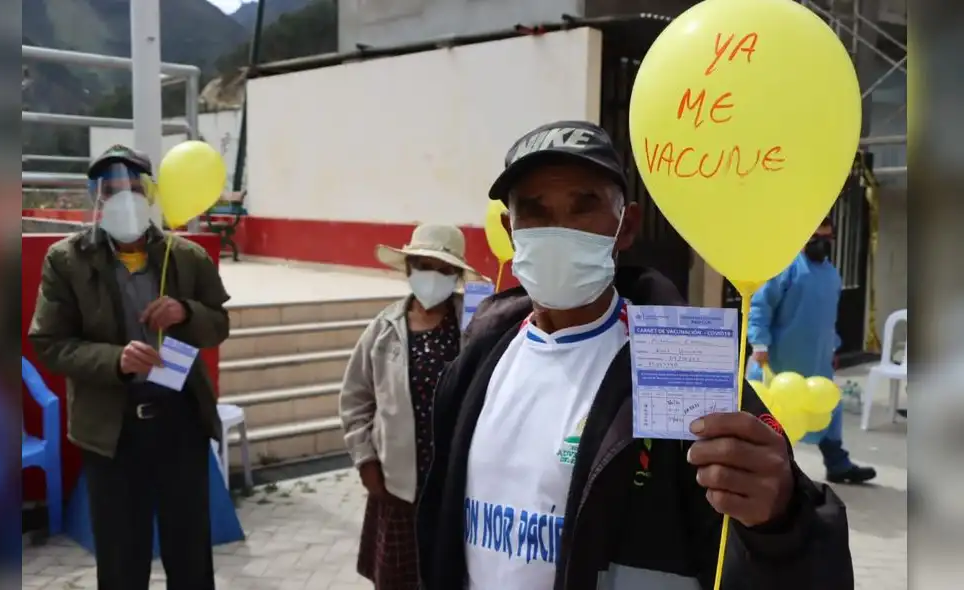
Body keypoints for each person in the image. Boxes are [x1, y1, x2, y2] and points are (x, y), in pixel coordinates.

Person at [416, 121, 854, 590]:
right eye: (535, 211)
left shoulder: (681, 363)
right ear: (510, 228)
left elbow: (775, 541)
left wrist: (780, 518)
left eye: (584, 206)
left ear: (626, 226)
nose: (559, 231)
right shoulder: (479, 362)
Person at [28, 145, 231, 590]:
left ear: (152, 194)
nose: (124, 199)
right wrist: (113, 360)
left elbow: (219, 323)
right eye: (111, 190)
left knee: (191, 552)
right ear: (96, 200)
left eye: (134, 189)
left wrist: (186, 312)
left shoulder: (186, 257)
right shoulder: (67, 261)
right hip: (111, 430)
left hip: (180, 423)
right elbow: (49, 343)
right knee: (121, 558)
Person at [339, 224, 488, 590]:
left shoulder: (474, 326)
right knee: (398, 579)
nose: (432, 277)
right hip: (397, 487)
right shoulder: (384, 328)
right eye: (423, 265)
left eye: (443, 269)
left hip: (455, 485)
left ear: (456, 276)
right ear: (408, 269)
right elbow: (356, 397)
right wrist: (366, 460)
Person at [747, 217, 877, 484]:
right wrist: (759, 343)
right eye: (815, 238)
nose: (821, 244)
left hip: (818, 359)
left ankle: (838, 464)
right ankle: (764, 468)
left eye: (826, 239)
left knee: (828, 409)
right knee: (773, 415)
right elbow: (761, 306)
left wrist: (833, 348)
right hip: (781, 360)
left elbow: (828, 319)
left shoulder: (831, 274)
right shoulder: (785, 268)